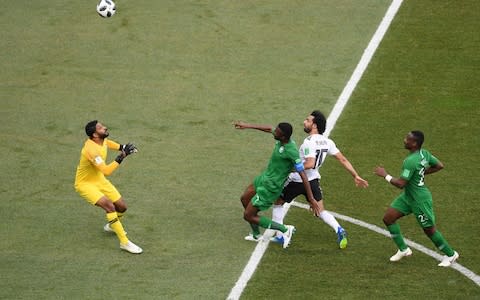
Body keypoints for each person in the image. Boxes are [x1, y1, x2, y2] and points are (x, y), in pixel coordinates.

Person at [269, 110, 369, 249]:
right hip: (314, 181)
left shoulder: (309, 141)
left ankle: (280, 236)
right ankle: (339, 229)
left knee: (278, 203)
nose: (304, 122)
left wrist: (288, 169)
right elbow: (343, 159)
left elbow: (309, 163)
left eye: (308, 120)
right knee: (320, 210)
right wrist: (355, 175)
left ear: (314, 125)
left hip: (297, 181)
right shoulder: (328, 142)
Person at [374, 130, 459, 267]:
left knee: (429, 230)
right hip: (408, 197)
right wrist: (421, 173)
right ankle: (403, 249)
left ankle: (451, 254)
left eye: (407, 139)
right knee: (388, 218)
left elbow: (401, 184)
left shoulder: (410, 161)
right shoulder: (423, 153)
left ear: (414, 143)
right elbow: (439, 165)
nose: (404, 140)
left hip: (419, 200)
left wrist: (385, 175)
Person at [234, 121, 322, 249]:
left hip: (271, 188)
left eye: (277, 133)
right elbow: (269, 128)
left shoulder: (291, 151)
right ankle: (256, 235)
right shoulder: (281, 138)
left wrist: (312, 199)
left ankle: (285, 230)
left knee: (248, 215)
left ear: (283, 137)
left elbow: (303, 174)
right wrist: (247, 126)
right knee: (244, 199)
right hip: (264, 178)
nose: (274, 132)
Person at [74, 120, 143, 254]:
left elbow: (107, 143)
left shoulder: (101, 140)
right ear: (95, 134)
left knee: (122, 207)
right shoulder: (90, 150)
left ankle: (112, 225)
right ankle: (124, 242)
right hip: (85, 184)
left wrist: (122, 147)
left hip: (99, 180)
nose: (104, 128)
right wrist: (122, 156)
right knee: (109, 206)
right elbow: (106, 171)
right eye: (101, 128)